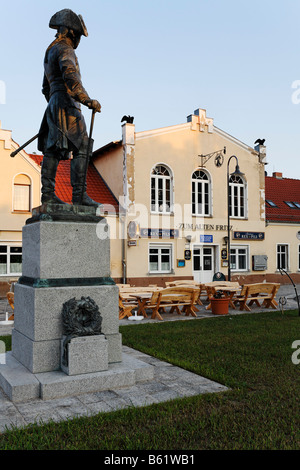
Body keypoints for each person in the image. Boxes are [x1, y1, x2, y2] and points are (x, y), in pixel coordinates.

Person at [38, 9, 101, 207]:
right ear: (72, 32)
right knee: (82, 145)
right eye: (78, 35)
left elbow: (45, 88)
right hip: (67, 103)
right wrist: (86, 99)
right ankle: (79, 195)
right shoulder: (66, 49)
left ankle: (47, 195)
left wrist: (54, 104)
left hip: (54, 103)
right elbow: (71, 77)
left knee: (52, 149)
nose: (78, 40)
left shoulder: (49, 51)